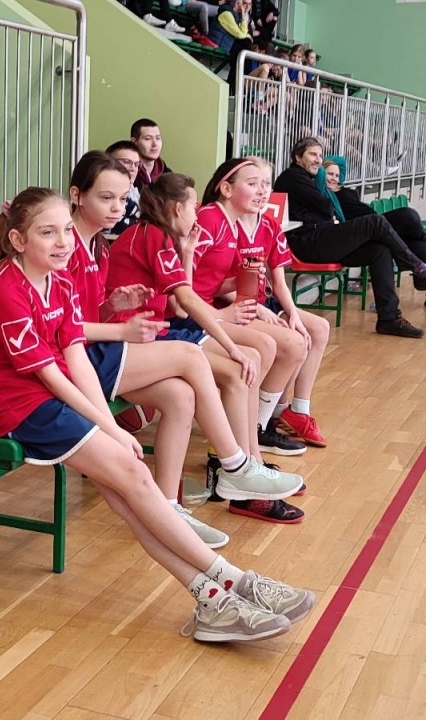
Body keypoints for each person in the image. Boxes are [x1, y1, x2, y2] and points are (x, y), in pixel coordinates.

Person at [0, 185, 316, 643]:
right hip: (24, 409)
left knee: (132, 497)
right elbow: (50, 376)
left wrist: (107, 424)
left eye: (66, 231)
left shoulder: (60, 280)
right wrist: (109, 426)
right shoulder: (5, 289)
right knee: (133, 476)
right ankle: (235, 581)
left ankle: (211, 598)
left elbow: (75, 359)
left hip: (57, 397)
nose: (62, 242)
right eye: (47, 233)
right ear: (18, 239)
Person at [67, 151, 304, 548]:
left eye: (122, 198)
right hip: (90, 356)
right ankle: (236, 465)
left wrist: (113, 307)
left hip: (113, 344)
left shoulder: (99, 247)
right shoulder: (109, 240)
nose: (117, 207)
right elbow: (183, 304)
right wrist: (122, 325)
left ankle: (168, 508)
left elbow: (87, 313)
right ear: (77, 195)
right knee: (208, 359)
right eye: (106, 198)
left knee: (181, 396)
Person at [113, 172, 309, 524]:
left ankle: (242, 466)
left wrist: (187, 253)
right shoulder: (153, 234)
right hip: (139, 338)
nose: (197, 213)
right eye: (193, 206)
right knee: (239, 366)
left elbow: (180, 301)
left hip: (154, 332)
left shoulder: (162, 235)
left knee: (245, 362)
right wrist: (229, 341)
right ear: (178, 208)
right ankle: (237, 468)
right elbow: (185, 303)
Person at [196, 157, 331, 450]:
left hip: (251, 300)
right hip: (223, 306)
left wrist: (292, 313)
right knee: (291, 343)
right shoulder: (213, 219)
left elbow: (275, 282)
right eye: (254, 183)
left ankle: (290, 412)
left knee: (315, 329)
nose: (262, 191)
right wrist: (253, 307)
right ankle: (259, 426)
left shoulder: (266, 224)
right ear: (227, 188)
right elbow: (202, 284)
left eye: (266, 184)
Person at [273, 137, 426, 338]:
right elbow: (326, 208)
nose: (318, 160)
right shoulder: (292, 176)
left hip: (323, 238)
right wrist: (323, 186)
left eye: (320, 155)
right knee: (375, 221)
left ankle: (389, 319)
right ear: (297, 157)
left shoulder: (308, 179)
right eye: (312, 154)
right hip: (309, 243)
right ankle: (419, 268)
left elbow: (325, 209)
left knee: (379, 251)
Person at [319, 157, 426, 310]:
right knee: (408, 215)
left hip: (377, 224)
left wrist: (333, 175)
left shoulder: (342, 189)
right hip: (361, 231)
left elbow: (341, 161)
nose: (334, 178)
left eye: (337, 175)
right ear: (321, 174)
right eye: (329, 174)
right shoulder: (323, 194)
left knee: (412, 231)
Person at [105, 140, 143, 237]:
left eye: (136, 164)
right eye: (127, 162)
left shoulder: (139, 192)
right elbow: (117, 224)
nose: (133, 168)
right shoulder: (103, 190)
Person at [132, 119, 172, 189]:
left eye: (158, 138)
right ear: (134, 142)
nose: (155, 144)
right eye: (148, 139)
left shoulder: (168, 176)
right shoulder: (127, 174)